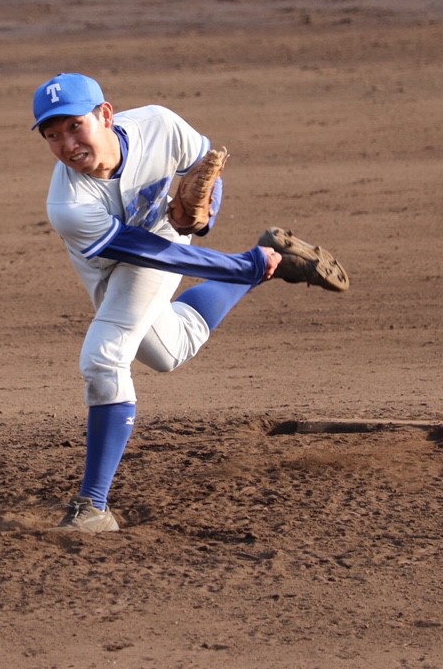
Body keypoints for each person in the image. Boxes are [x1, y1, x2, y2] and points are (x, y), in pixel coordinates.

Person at [31, 72, 349, 533]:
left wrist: (206, 218)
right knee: (168, 350)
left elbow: (206, 166)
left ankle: (92, 507)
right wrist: (242, 268)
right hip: (119, 260)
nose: (66, 143)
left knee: (103, 359)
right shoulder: (69, 204)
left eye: (74, 126)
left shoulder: (158, 124)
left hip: (158, 244)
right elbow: (145, 253)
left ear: (104, 115)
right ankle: (270, 259)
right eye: (52, 135)